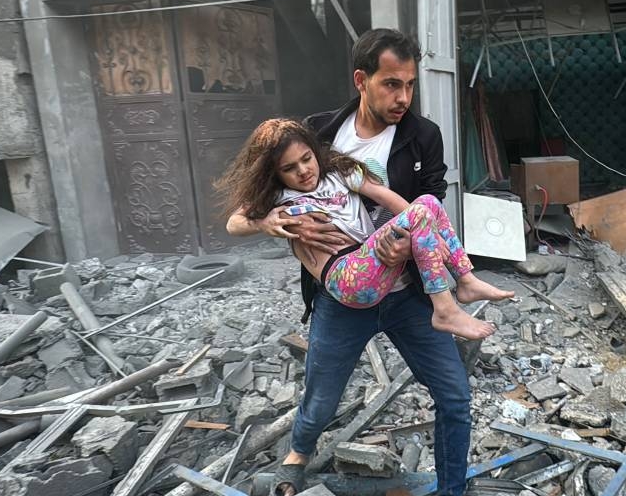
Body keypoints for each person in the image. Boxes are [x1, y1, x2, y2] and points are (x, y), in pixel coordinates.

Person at [224, 29, 506, 496]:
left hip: (407, 293)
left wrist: (409, 244)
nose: (403, 97)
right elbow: (247, 211)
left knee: (454, 396)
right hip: (341, 298)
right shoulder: (316, 135)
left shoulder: (422, 136)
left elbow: (424, 204)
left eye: (410, 85)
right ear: (362, 80)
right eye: (391, 84)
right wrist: (274, 225)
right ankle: (298, 453)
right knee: (320, 401)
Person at [218, 118, 512, 339]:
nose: (303, 170)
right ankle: (445, 310)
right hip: (346, 277)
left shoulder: (339, 173)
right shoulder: (279, 195)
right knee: (421, 211)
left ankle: (466, 280)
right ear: (274, 174)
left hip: (369, 262)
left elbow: (389, 199)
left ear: (315, 152)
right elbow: (234, 224)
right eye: (289, 168)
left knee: (427, 202)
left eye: (306, 159)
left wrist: (429, 234)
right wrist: (264, 222)